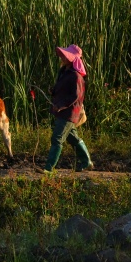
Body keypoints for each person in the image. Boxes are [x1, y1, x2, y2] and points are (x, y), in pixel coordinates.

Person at [44, 43, 93, 172]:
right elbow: (64, 90)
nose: (63, 58)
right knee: (73, 138)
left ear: (73, 59)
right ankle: (86, 161)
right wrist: (53, 91)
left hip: (69, 113)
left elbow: (75, 96)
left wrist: (60, 105)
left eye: (66, 56)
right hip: (64, 112)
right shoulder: (64, 72)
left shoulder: (76, 76)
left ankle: (48, 168)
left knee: (57, 138)